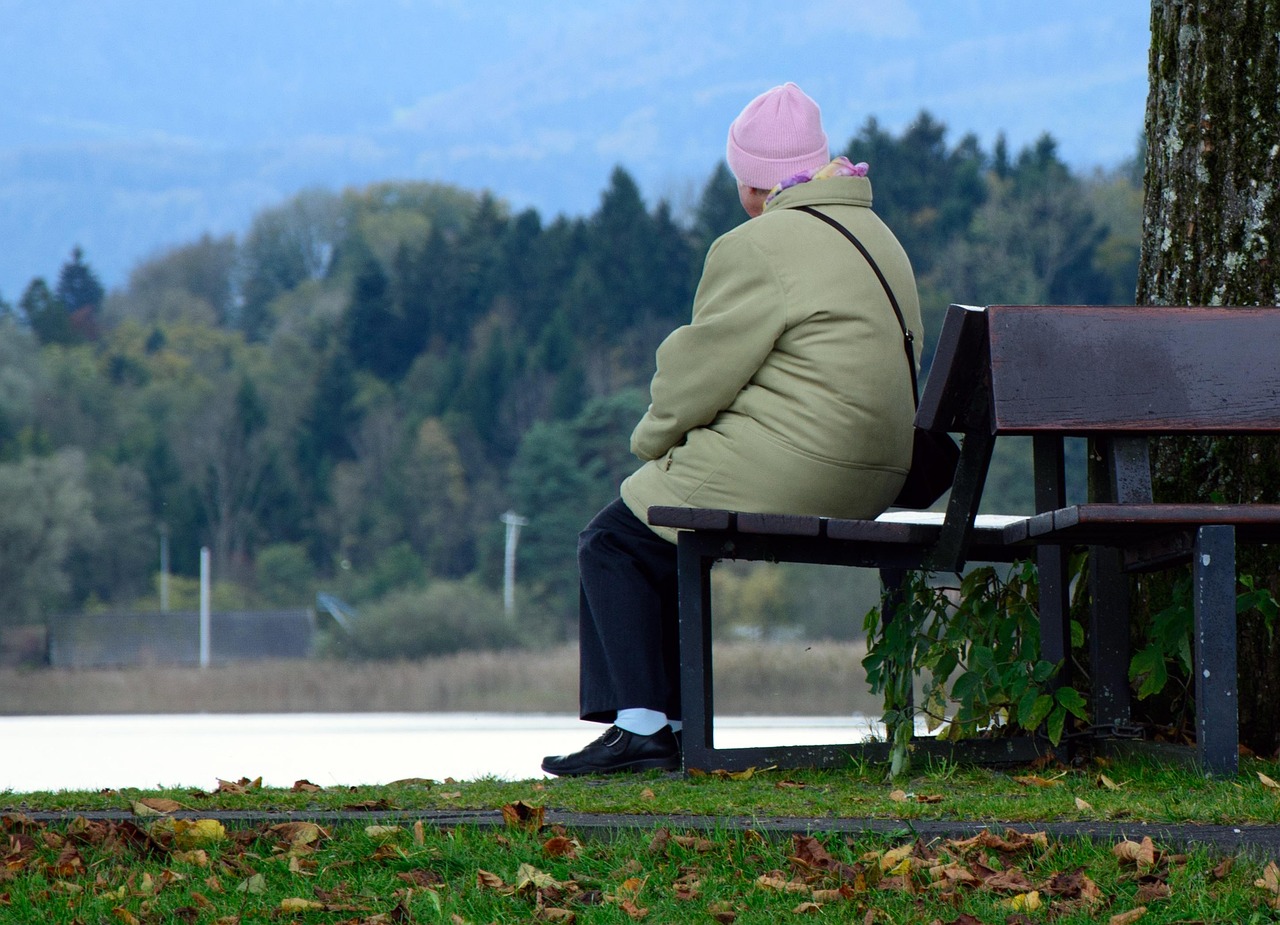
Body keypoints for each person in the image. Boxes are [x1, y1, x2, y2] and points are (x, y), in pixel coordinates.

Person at [541, 82, 922, 776]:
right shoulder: (879, 236)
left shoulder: (760, 244)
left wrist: (653, 445)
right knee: (657, 536)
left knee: (616, 535)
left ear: (753, 184)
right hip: (878, 475)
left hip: (803, 465)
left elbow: (697, 374)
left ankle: (644, 727)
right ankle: (670, 722)